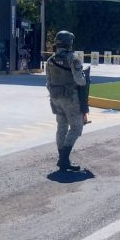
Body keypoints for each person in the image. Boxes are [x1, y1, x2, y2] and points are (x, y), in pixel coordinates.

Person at [45, 30, 86, 171]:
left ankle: (63, 159)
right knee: (76, 128)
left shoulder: (50, 60)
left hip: (55, 97)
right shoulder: (72, 58)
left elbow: (48, 82)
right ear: (69, 43)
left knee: (61, 127)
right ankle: (63, 159)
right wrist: (85, 79)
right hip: (70, 98)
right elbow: (80, 81)